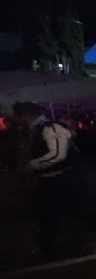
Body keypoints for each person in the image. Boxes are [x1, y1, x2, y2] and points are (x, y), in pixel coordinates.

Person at [13, 102, 81, 257]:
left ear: (25, 115)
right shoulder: (40, 129)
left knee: (53, 212)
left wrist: (32, 165)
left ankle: (50, 247)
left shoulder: (50, 128)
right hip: (54, 179)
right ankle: (48, 245)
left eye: (18, 116)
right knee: (51, 213)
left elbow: (57, 154)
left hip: (62, 179)